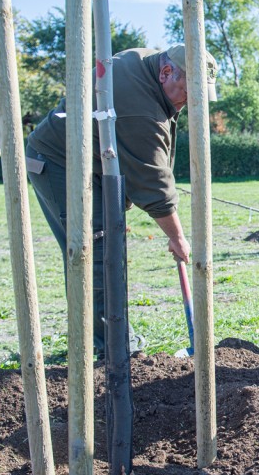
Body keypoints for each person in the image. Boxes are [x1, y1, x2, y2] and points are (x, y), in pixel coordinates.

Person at [26, 44, 219, 357]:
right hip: (59, 162)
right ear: (166, 72)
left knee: (106, 245)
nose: (189, 104)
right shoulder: (141, 109)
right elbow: (153, 184)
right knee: (94, 250)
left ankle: (107, 338)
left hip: (93, 162)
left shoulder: (148, 62)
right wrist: (177, 237)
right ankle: (114, 347)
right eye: (188, 93)